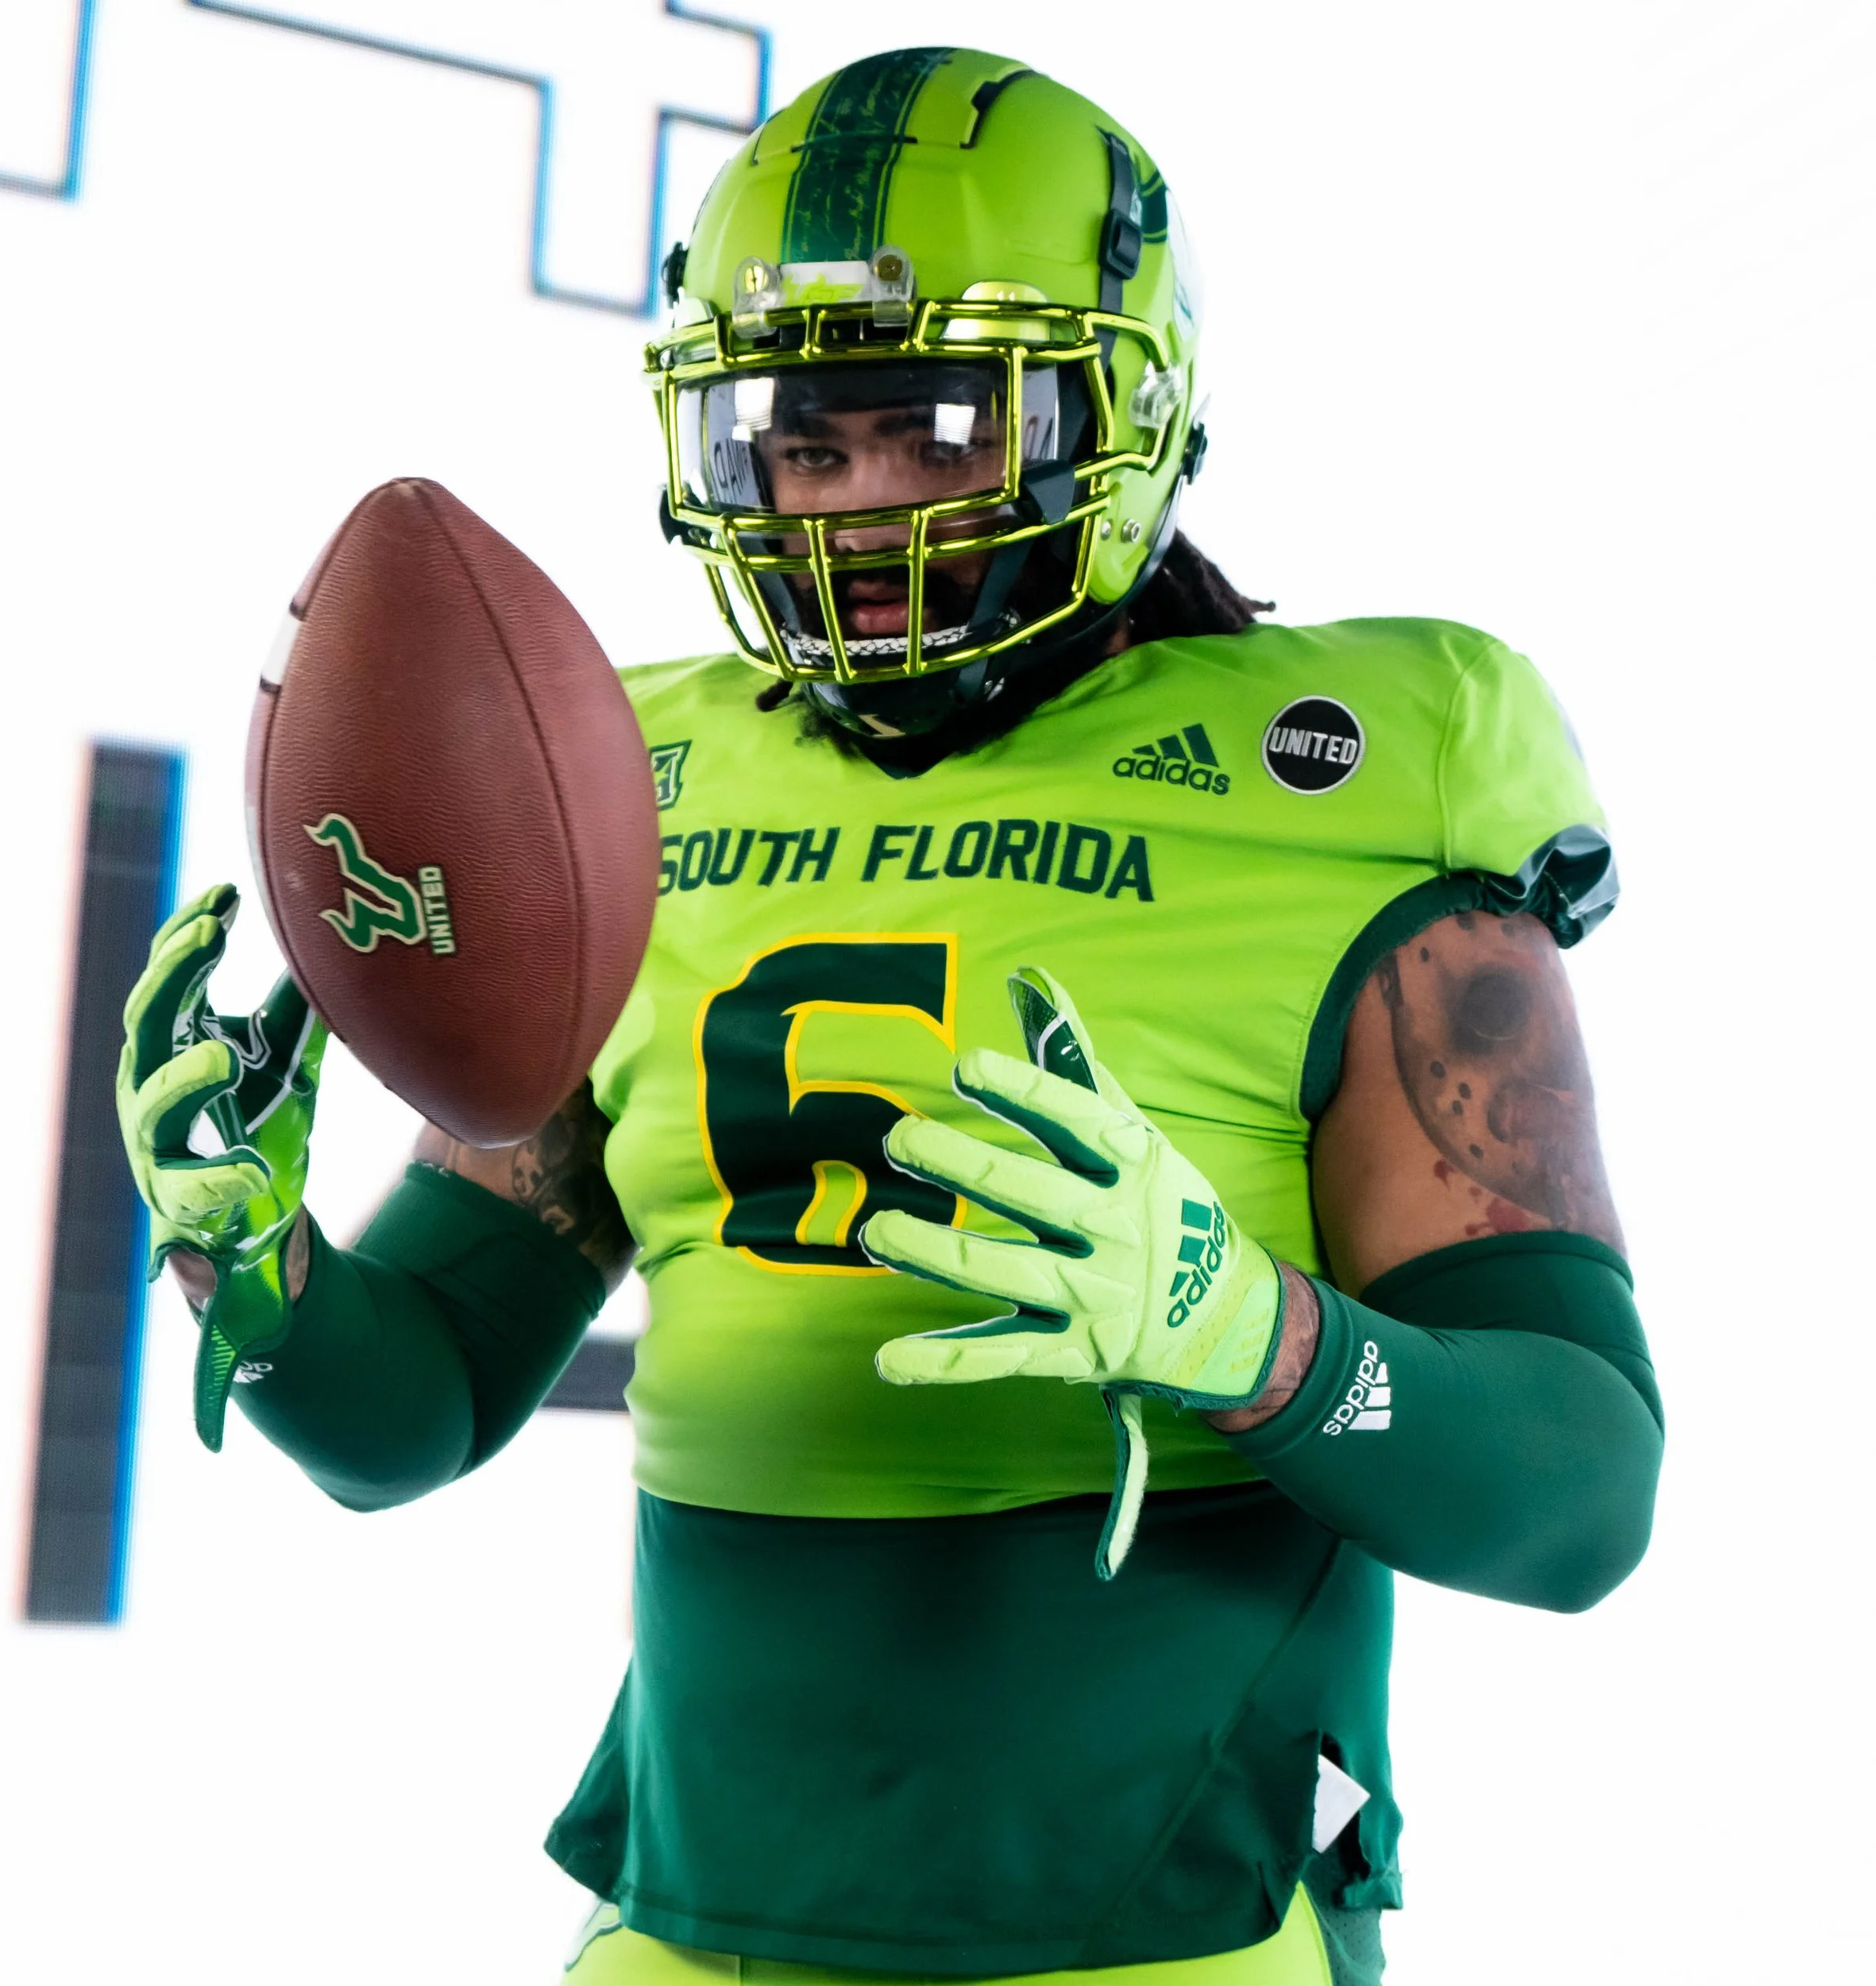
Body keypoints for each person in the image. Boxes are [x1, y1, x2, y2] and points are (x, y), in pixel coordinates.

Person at [115, 48, 1662, 1986]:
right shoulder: (633, 785)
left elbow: (1582, 1492)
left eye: (936, 428)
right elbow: (414, 1405)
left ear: (1120, 407)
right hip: (693, 1918)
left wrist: (1245, 1337)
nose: (857, 506)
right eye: (800, 442)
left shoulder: (1349, 771)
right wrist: (258, 1282)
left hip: (1161, 1929)